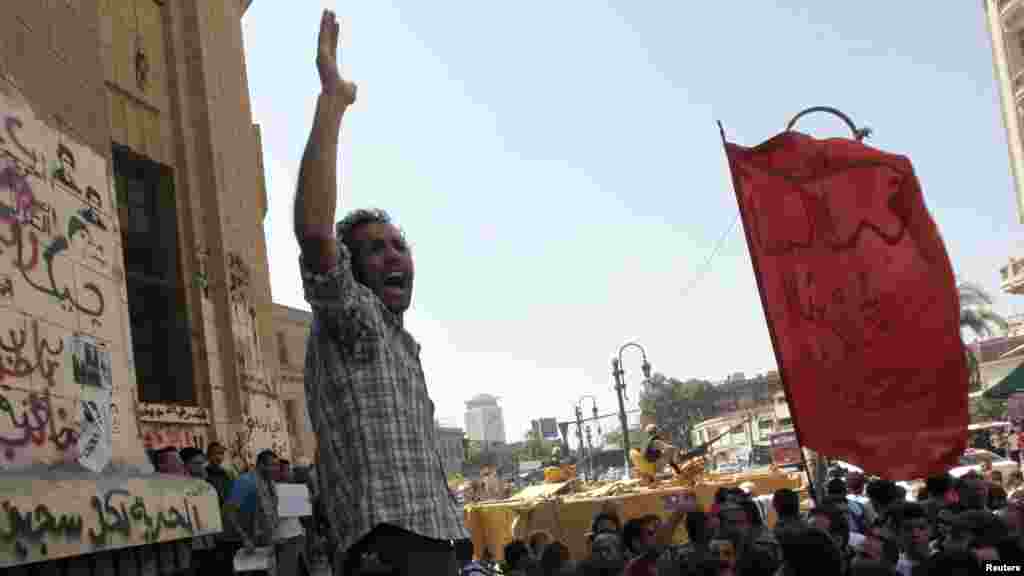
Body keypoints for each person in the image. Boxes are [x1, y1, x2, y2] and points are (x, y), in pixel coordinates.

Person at [295, 11, 468, 575]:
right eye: (376, 249)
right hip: (392, 550)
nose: (394, 256)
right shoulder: (356, 319)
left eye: (400, 245)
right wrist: (332, 99)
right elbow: (316, 233)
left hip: (434, 543)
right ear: (350, 267)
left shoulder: (399, 343)